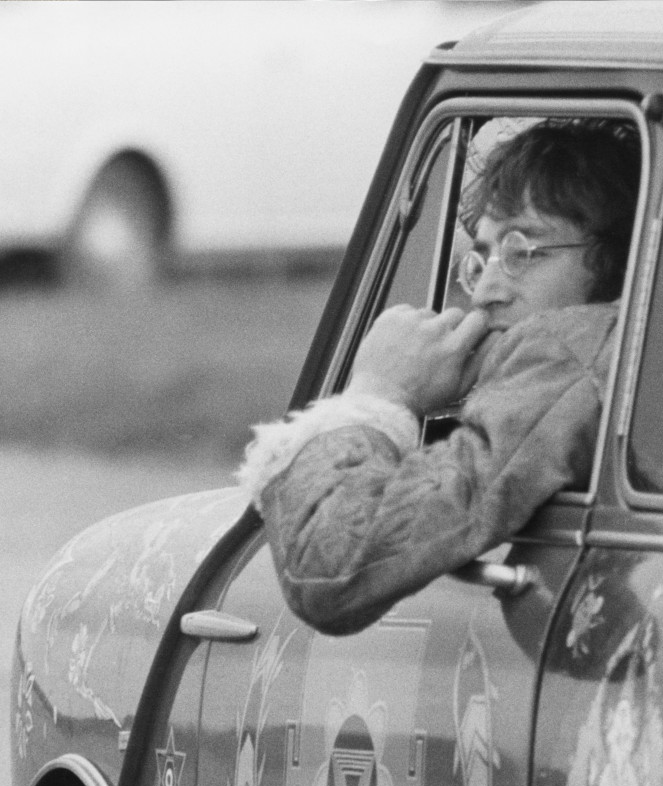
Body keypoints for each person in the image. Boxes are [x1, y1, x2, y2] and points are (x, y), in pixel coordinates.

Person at [235, 118, 641, 635]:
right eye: (482, 259)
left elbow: (331, 568)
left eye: (523, 253)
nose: (486, 290)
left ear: (620, 264)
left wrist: (380, 394)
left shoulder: (569, 350)